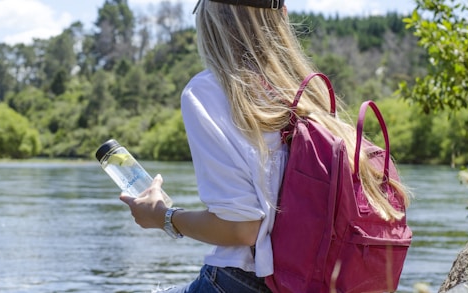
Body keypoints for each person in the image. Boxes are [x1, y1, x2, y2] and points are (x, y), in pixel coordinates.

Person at [118, 0, 411, 292]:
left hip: (244, 281)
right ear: (281, 17)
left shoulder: (207, 90)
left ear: (210, 19)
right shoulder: (307, 93)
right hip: (306, 282)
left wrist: (163, 216)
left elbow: (242, 228)